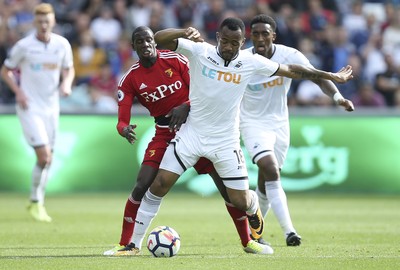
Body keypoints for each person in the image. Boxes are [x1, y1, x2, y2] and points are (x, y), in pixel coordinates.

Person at [117, 17, 353, 255]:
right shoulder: (201, 52)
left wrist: (331, 76)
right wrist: (184, 31)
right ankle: (133, 245)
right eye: (225, 41)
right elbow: (159, 39)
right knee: (158, 184)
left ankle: (253, 207)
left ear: (243, 42)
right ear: (218, 38)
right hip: (192, 134)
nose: (229, 47)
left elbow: (292, 70)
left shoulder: (250, 61)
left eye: (235, 43)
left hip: (225, 141)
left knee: (239, 200)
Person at [103, 26, 272, 256]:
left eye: (149, 40)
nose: (145, 45)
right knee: (144, 184)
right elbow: (122, 119)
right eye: (139, 41)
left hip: (197, 128)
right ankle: (127, 244)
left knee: (228, 192)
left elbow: (203, 89)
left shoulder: (175, 59)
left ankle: (248, 241)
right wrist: (123, 129)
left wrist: (186, 106)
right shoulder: (130, 79)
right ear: (133, 47)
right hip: (165, 131)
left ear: (155, 41)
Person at [240, 14, 355, 246]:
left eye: (265, 33)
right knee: (271, 170)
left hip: (280, 124)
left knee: (265, 182)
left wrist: (337, 97)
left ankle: (255, 233)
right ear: (250, 36)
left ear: (274, 35)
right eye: (256, 34)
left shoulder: (289, 55)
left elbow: (315, 77)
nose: (260, 38)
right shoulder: (242, 60)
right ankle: (289, 232)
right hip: (251, 123)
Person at [0, 3, 75, 222]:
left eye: (47, 21)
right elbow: (5, 71)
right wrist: (19, 92)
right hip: (29, 106)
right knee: (44, 156)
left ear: (53, 22)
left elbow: (69, 68)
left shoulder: (62, 45)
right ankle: (35, 201)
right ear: (35, 22)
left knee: (47, 160)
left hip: (52, 107)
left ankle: (36, 201)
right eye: (40, 21)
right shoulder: (24, 46)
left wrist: (67, 83)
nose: (43, 25)